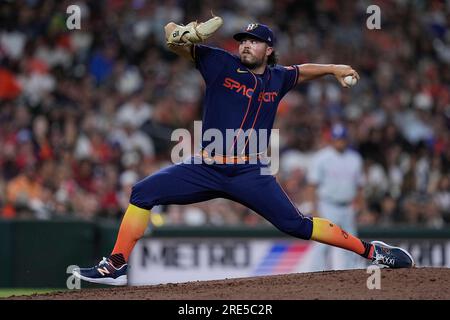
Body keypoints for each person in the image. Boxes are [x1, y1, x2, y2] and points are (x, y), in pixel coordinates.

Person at [73, 17, 414, 286]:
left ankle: (372, 250)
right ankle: (115, 266)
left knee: (295, 224)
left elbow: (302, 70)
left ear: (269, 49)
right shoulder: (219, 62)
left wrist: (333, 69)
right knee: (142, 192)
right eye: (243, 40)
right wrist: (182, 33)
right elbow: (170, 36)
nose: (246, 45)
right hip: (206, 166)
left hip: (250, 172)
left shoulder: (278, 78)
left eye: (254, 41)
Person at [307, 124, 365, 271]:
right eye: (337, 139)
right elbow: (312, 185)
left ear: (347, 140)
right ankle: (318, 274)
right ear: (332, 139)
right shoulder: (321, 157)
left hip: (347, 206)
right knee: (322, 243)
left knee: (352, 242)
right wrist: (313, 209)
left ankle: (352, 273)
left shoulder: (355, 159)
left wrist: (361, 207)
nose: (340, 142)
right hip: (327, 205)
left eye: (343, 139)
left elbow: (359, 186)